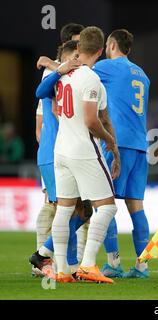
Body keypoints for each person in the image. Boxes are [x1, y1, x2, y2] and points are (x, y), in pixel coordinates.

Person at [51, 26, 120, 283]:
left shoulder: (64, 75)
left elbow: (57, 109)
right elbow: (92, 120)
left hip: (61, 148)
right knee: (107, 206)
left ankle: (62, 270)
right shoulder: (90, 78)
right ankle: (88, 264)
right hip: (83, 150)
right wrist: (110, 141)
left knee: (64, 209)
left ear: (78, 48)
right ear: (101, 51)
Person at [30, 40, 94, 280]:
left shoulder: (65, 76)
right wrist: (55, 65)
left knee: (81, 209)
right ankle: (64, 265)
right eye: (76, 56)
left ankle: (50, 257)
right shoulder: (53, 75)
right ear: (68, 57)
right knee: (67, 209)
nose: (80, 60)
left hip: (62, 153)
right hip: (55, 153)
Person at [92, 29, 151, 279]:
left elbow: (81, 71)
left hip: (118, 144)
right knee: (136, 206)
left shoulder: (107, 67)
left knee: (105, 202)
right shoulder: (143, 75)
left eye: (107, 44)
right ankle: (142, 266)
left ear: (112, 44)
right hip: (140, 145)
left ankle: (113, 263)